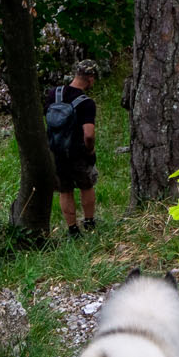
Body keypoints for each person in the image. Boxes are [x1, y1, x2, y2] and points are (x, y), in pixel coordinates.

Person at [44, 59, 100, 238]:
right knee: (86, 185)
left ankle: (72, 230)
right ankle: (90, 223)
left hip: (57, 151)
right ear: (90, 78)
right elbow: (89, 134)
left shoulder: (54, 94)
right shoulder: (86, 103)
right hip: (77, 152)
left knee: (65, 190)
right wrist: (89, 150)